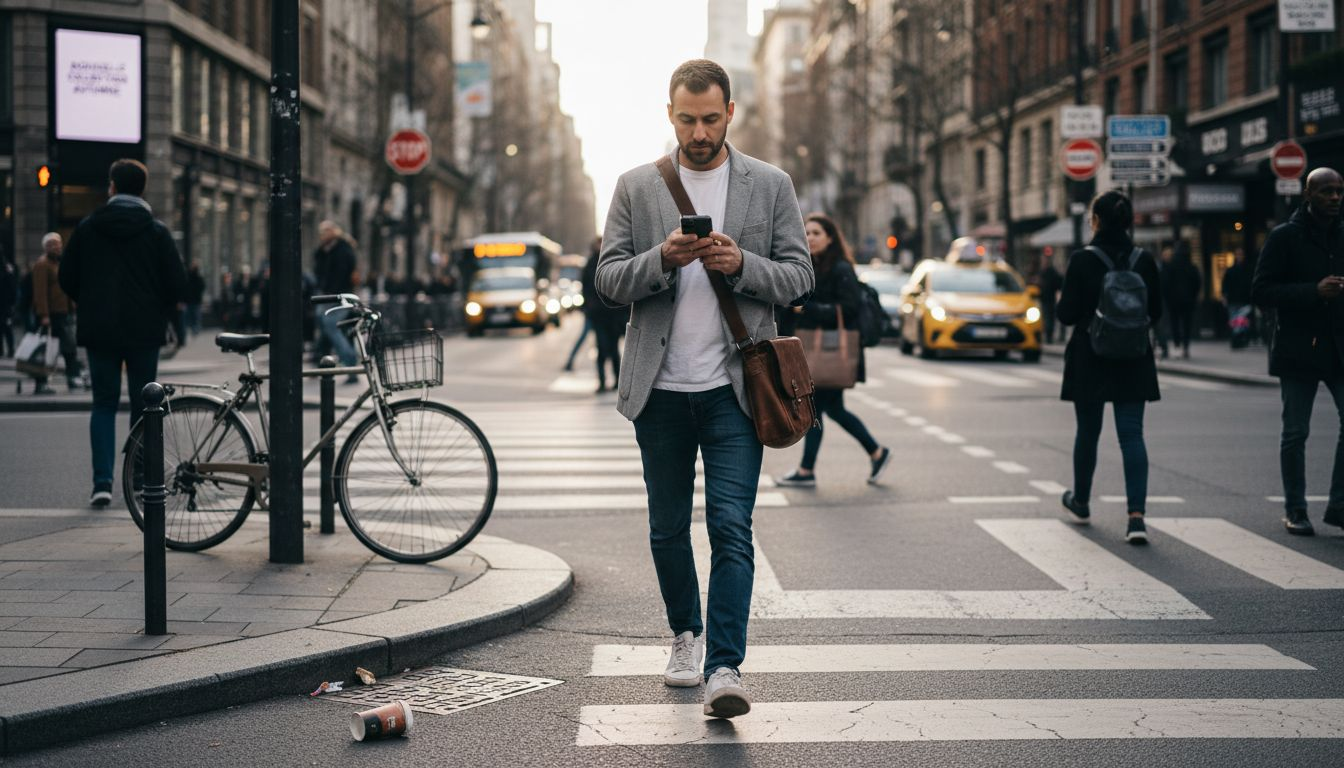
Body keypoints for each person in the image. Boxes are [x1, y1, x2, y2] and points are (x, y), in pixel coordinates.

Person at [595, 59, 812, 719]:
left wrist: (741, 265)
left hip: (734, 391)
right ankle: (684, 636)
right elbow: (607, 279)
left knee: (730, 528)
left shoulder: (769, 184)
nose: (698, 131)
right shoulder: (637, 186)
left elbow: (800, 273)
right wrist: (661, 259)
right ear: (670, 114)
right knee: (667, 530)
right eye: (687, 119)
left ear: (730, 113)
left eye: (710, 118)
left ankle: (724, 665)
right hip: (659, 391)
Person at [59, 159, 187, 507]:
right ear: (142, 188)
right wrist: (160, 306)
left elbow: (66, 277)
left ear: (112, 187)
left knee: (103, 403)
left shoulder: (88, 228)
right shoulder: (156, 231)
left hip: (99, 329)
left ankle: (102, 483)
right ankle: (142, 478)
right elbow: (177, 284)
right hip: (144, 330)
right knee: (146, 404)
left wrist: (89, 301)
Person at [1056, 190, 1162, 545]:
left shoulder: (1083, 261)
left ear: (1095, 221)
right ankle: (1136, 517)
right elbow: (1157, 311)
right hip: (1133, 355)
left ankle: (1082, 501)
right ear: (1130, 221)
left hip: (1091, 355)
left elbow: (1067, 314)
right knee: (1131, 434)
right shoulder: (1143, 260)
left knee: (1088, 432)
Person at [1251, 167, 1344, 536]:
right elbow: (1261, 291)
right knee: (1295, 432)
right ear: (1308, 195)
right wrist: (1313, 291)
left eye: (1339, 191)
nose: (1335, 198)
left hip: (1339, 346)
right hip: (1299, 347)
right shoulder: (1284, 237)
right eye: (1327, 192)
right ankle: (1296, 508)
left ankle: (1338, 504)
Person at [776, 213, 890, 487]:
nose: (810, 238)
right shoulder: (808, 266)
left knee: (816, 410)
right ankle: (876, 452)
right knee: (831, 409)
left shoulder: (840, 269)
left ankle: (807, 471)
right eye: (807, 233)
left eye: (817, 233)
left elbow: (848, 309)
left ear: (830, 238)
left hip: (829, 350)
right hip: (814, 350)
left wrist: (808, 309)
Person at [32, 232, 83, 394]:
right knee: (47, 351)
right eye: (53, 244)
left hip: (63, 312)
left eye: (59, 243)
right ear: (46, 247)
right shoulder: (42, 264)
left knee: (69, 347)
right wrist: (44, 315)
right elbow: (40, 292)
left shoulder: (59, 263)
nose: (57, 247)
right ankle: (41, 382)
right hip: (51, 314)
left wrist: (72, 305)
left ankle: (72, 377)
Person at [312, 220, 359, 378]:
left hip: (339, 297)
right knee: (325, 326)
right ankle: (320, 359)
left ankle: (350, 361)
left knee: (330, 326)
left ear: (333, 232)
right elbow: (319, 270)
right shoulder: (324, 251)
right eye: (321, 232)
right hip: (326, 295)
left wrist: (332, 292)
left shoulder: (343, 250)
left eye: (325, 231)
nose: (322, 235)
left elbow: (342, 274)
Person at [580, 236, 624, 393]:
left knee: (613, 349)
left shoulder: (611, 260)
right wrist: (589, 308)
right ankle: (602, 380)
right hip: (600, 315)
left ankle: (617, 380)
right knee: (602, 348)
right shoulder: (591, 263)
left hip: (612, 315)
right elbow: (585, 288)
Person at [1163, 241, 1201, 359]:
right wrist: (1194, 296)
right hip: (1188, 300)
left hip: (1173, 300)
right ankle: (1185, 346)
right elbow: (1197, 283)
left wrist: (1168, 297)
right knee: (1187, 324)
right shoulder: (1192, 267)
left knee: (1174, 322)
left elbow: (1165, 283)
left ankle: (1177, 344)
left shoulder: (1171, 266)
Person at [1222, 247, 1254, 349]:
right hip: (1234, 299)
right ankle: (1235, 341)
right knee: (1235, 321)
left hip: (1244, 299)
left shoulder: (1247, 269)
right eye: (1238, 254)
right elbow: (1225, 284)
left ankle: (1240, 340)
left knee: (1242, 322)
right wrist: (1224, 296)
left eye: (1241, 254)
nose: (1240, 257)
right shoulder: (1231, 270)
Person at [1036, 251, 1064, 344]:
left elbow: (1058, 283)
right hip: (1045, 299)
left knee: (1049, 319)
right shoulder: (1042, 272)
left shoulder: (1050, 272)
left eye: (1045, 260)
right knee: (1046, 319)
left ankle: (1049, 337)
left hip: (1049, 299)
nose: (1044, 262)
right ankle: (1048, 337)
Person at [0, 252, 16, 357]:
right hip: (6, 304)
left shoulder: (7, 270)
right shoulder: (7, 269)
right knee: (6, 328)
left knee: (6, 328)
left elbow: (12, 288)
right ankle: (9, 349)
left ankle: (9, 349)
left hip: (5, 304)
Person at [184, 261, 205, 337]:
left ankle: (193, 329)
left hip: (192, 300)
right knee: (195, 316)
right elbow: (202, 287)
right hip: (194, 300)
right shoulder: (198, 277)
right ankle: (194, 330)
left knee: (192, 316)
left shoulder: (189, 276)